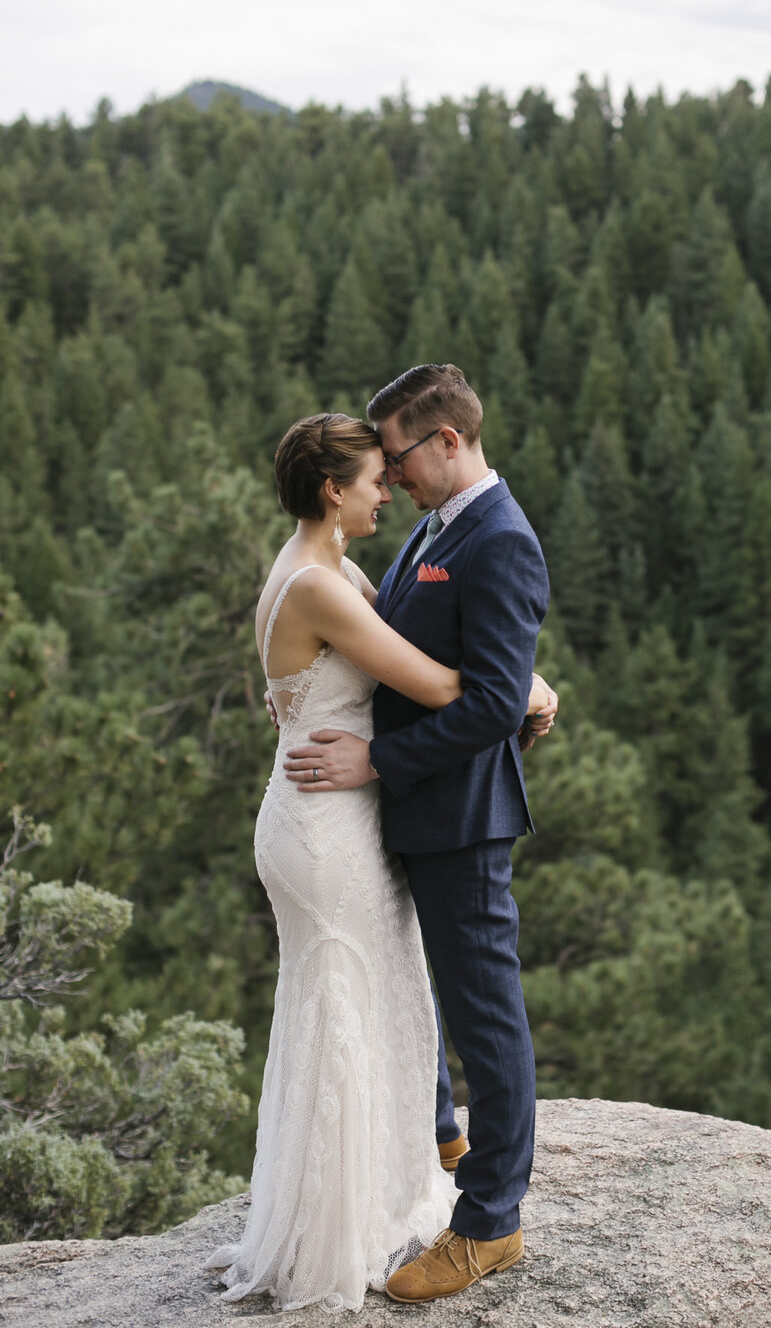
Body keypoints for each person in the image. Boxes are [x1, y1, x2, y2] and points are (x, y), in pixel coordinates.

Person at [205, 412, 554, 1313]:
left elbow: (419, 651)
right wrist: (523, 685)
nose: (386, 487)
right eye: (372, 476)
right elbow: (441, 683)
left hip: (338, 816)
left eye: (394, 468)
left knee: (364, 997)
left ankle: (390, 1185)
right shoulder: (324, 583)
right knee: (341, 1005)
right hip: (326, 823)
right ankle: (337, 1223)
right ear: (334, 489)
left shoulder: (339, 568)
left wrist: (521, 679)